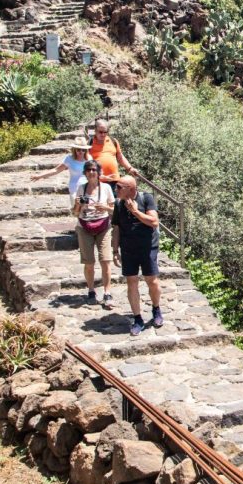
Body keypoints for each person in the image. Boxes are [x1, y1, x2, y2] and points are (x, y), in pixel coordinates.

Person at [111, 175, 162, 336]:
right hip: (128, 248)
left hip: (147, 247)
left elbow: (154, 222)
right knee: (131, 282)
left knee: (151, 281)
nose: (115, 189)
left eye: (119, 187)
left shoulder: (146, 199)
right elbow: (116, 229)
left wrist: (135, 212)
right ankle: (137, 318)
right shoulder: (118, 204)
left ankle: (156, 308)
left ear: (130, 189)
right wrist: (114, 250)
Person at [72, 160, 115, 306]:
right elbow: (75, 213)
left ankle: (107, 292)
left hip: (103, 226)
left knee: (106, 260)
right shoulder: (81, 189)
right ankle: (91, 290)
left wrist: (105, 208)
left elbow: (115, 210)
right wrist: (79, 205)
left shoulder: (107, 188)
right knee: (89, 262)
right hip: (85, 227)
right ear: (85, 172)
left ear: (98, 172)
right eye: (89, 170)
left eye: (94, 170)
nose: (91, 172)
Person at [90, 118, 136, 188]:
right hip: (97, 181)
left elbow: (120, 157)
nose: (103, 134)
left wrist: (130, 168)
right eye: (100, 132)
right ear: (95, 131)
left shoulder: (113, 141)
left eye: (105, 132)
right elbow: (84, 162)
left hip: (114, 181)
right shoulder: (89, 144)